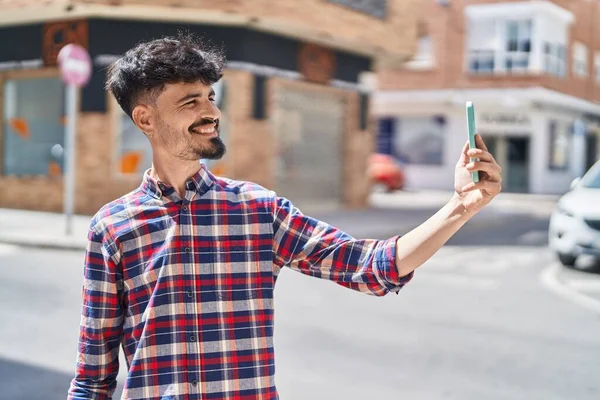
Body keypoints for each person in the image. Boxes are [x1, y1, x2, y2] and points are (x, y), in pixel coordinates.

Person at [67, 33, 502, 400]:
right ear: (144, 118)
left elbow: (371, 267)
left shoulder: (258, 209)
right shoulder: (113, 227)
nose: (211, 112)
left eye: (211, 97)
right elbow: (93, 378)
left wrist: (461, 206)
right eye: (190, 102)